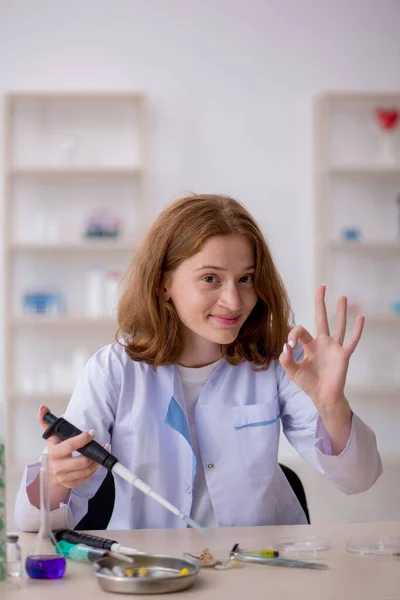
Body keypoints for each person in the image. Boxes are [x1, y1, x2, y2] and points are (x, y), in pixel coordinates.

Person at [15, 194, 382, 532]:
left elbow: (359, 479)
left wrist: (332, 405)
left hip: (261, 569)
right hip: (152, 574)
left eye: (245, 279)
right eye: (210, 279)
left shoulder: (279, 360)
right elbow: (30, 522)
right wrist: (58, 478)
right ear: (164, 285)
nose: (234, 301)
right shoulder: (114, 371)